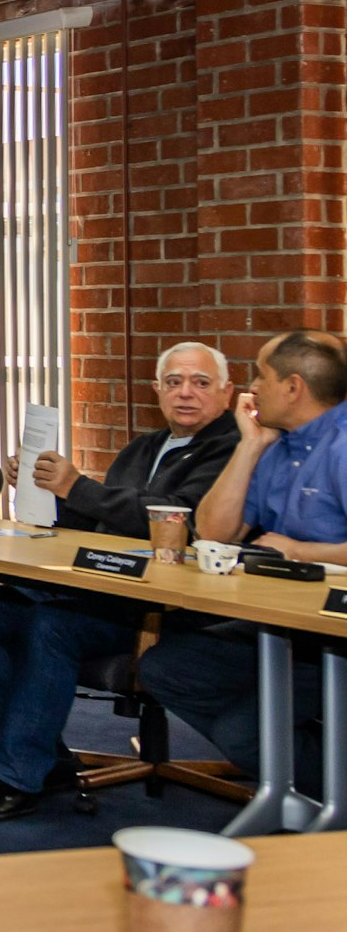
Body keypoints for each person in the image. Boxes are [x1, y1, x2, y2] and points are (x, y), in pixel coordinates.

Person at [0, 341, 239, 823]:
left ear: (227, 393)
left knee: (50, 625)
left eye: (201, 383)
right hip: (105, 593)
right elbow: (104, 527)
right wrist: (46, 492)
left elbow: (175, 521)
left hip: (171, 611)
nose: (186, 393)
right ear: (157, 391)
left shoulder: (232, 453)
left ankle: (16, 775)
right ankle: (47, 759)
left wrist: (78, 486)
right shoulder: (144, 447)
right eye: (174, 383)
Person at [137, 330, 347, 794]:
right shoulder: (277, 443)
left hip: (334, 632)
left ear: (293, 388)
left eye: (261, 376)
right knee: (166, 668)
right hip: (279, 620)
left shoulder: (342, 446)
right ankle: (309, 781)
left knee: (245, 732)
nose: (252, 388)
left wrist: (301, 550)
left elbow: (291, 548)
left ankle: (317, 799)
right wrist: (249, 445)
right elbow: (213, 532)